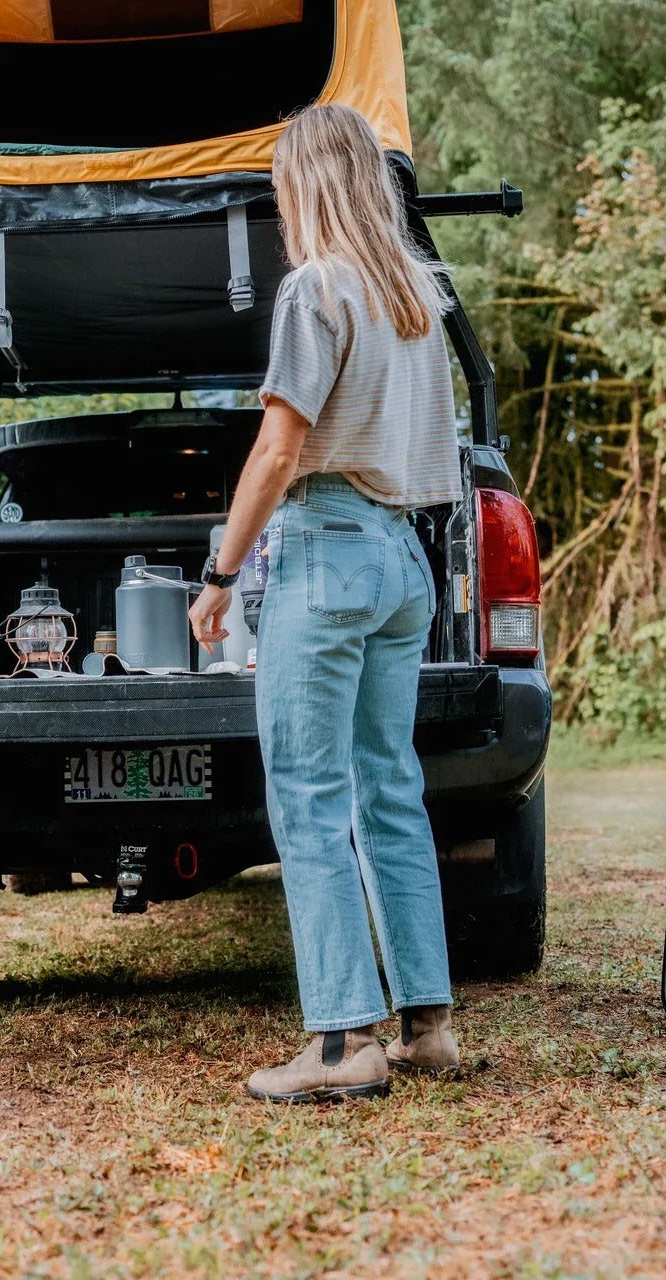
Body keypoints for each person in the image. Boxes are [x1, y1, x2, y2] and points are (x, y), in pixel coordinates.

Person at [190, 105, 463, 1103]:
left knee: (307, 796)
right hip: (402, 559)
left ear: (305, 185)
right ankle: (427, 1022)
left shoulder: (315, 290)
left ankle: (345, 1044)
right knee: (388, 785)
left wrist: (221, 578)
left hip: (328, 549)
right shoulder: (418, 295)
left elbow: (277, 449)